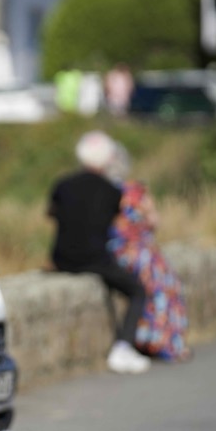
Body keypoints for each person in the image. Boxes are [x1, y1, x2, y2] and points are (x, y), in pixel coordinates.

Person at [48, 130, 150, 374]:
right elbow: (115, 223)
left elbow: (52, 213)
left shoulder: (62, 184)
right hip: (94, 259)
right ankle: (124, 347)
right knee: (137, 290)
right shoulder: (112, 191)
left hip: (61, 259)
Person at [105, 146, 191, 361]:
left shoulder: (102, 193)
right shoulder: (135, 191)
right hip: (140, 253)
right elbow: (153, 221)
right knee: (165, 289)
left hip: (115, 252)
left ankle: (145, 339)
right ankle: (165, 343)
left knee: (145, 291)